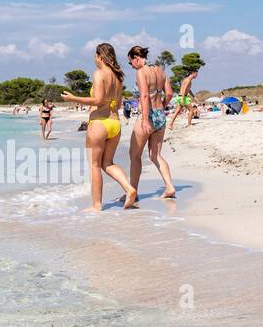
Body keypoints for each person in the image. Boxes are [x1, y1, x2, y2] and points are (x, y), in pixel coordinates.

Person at [62, 43, 137, 211]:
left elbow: (97, 100)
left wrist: (74, 98)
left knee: (95, 165)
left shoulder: (99, 73)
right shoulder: (119, 77)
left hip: (99, 124)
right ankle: (129, 188)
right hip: (114, 124)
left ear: (100, 57)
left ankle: (96, 205)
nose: (95, 60)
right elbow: (117, 104)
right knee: (108, 163)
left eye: (95, 56)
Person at [125, 46, 177, 200]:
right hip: (160, 114)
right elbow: (169, 93)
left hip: (147, 116)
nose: (132, 66)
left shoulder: (141, 72)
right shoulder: (160, 71)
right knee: (156, 155)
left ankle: (132, 192)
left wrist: (146, 118)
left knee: (134, 155)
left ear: (136, 58)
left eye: (131, 63)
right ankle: (169, 186)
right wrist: (161, 106)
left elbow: (145, 96)